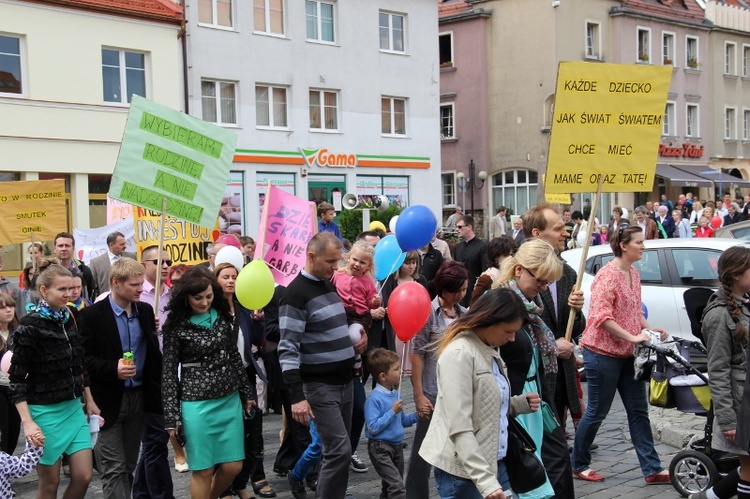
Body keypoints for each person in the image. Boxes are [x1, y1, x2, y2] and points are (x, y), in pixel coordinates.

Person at [571, 226, 670, 484]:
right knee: (597, 411)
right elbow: (601, 317)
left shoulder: (633, 273)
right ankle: (578, 463)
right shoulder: (607, 275)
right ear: (624, 245)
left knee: (639, 411)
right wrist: (633, 336)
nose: (643, 247)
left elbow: (634, 311)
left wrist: (650, 329)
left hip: (628, 354)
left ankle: (652, 469)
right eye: (639, 242)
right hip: (602, 353)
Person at [419, 288, 540, 499]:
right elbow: (459, 425)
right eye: (508, 331)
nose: (512, 338)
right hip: (464, 471)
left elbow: (484, 403)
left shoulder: (489, 347)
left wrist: (516, 404)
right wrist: (485, 482)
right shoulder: (459, 354)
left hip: (493, 462)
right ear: (489, 321)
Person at [278, 232, 368, 499]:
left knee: (340, 450)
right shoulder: (294, 295)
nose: (335, 267)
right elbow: (288, 348)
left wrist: (357, 339)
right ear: (311, 256)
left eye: (337, 260)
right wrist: (296, 397)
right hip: (320, 386)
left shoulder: (327, 284)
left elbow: (333, 326)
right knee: (338, 450)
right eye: (330, 261)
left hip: (345, 381)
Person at [162, 266, 254, 498]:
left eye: (209, 296)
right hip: (197, 404)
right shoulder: (176, 326)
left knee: (234, 465)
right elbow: (169, 372)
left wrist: (247, 393)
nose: (204, 302)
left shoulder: (222, 317)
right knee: (202, 469)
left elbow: (234, 356)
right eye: (198, 297)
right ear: (186, 296)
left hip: (229, 399)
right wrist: (172, 416)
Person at [9, 259, 97, 498]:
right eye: (62, 289)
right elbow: (16, 378)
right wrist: (27, 422)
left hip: (72, 409)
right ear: (44, 291)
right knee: (50, 484)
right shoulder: (30, 325)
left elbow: (79, 361)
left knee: (83, 476)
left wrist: (88, 398)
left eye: (71, 288)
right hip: (43, 413)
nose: (68, 294)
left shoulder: (68, 316)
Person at [79, 258, 162, 499]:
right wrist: (111, 368)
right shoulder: (93, 316)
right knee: (113, 468)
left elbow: (153, 354)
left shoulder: (145, 311)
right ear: (116, 283)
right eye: (134, 285)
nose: (140, 289)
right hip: (107, 400)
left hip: (139, 398)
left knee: (127, 465)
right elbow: (84, 360)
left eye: (141, 284)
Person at [523, 203, 583, 499]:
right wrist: (549, 345)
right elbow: (517, 335)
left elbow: (574, 328)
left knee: (557, 449)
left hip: (559, 374)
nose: (565, 232)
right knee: (548, 452)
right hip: (531, 383)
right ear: (537, 233)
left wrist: (577, 312)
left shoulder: (569, 273)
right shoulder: (518, 277)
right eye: (558, 228)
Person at [690, 246, 750, 499]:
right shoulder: (718, 315)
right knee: (749, 468)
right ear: (736, 274)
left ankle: (708, 496)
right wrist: (726, 419)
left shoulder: (746, 303)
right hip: (740, 403)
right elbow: (718, 369)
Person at [407, 261, 468, 499]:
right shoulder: (428, 313)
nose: (461, 295)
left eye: (464, 289)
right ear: (443, 288)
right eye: (457, 290)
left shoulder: (464, 314)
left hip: (459, 390)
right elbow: (417, 354)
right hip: (433, 391)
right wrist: (419, 394)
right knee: (423, 450)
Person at [214, 263, 275, 499]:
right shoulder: (211, 310)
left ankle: (244, 481)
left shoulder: (243, 308)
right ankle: (225, 487)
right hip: (221, 381)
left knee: (252, 431)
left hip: (246, 376)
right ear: (215, 279)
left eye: (234, 277)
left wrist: (258, 320)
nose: (231, 281)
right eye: (225, 277)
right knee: (227, 434)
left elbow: (258, 341)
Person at [331, 240, 382, 473]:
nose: (357, 264)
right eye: (354, 259)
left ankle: (349, 451)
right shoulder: (336, 276)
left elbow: (373, 301)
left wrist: (375, 304)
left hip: (359, 319)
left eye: (362, 262)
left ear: (368, 266)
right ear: (347, 256)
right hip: (338, 322)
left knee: (359, 409)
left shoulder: (368, 282)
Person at [132, 246, 175, 499]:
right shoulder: (136, 295)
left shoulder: (172, 295)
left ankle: (140, 492)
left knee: (154, 440)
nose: (165, 266)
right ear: (144, 264)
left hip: (169, 370)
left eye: (168, 261)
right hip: (146, 374)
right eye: (158, 261)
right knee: (156, 438)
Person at [364, 348, 418, 499]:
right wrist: (392, 411)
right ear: (382, 376)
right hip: (380, 447)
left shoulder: (396, 394)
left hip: (397, 446)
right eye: (396, 369)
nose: (400, 372)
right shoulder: (374, 399)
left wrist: (417, 415)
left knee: (389, 487)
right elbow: (372, 427)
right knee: (397, 488)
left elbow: (403, 421)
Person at [379, 252, 428, 376]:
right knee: (395, 365)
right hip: (397, 329)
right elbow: (387, 301)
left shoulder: (420, 280)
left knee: (416, 365)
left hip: (416, 328)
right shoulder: (391, 280)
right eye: (407, 263)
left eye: (414, 263)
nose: (411, 266)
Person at [0, 295, 21, 457]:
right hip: (0, 388)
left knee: (15, 430)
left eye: (10, 306)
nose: (8, 310)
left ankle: (6, 463)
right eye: (2, 307)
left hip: (15, 387)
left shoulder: (19, 332)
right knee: (3, 430)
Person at [470, 237, 517, 306]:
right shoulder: (488, 277)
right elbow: (475, 304)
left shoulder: (512, 273)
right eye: (507, 255)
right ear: (496, 257)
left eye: (512, 255)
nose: (511, 259)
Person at [454, 215, 487, 307]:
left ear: (469, 227)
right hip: (460, 292)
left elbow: (485, 271)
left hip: (475, 291)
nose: (457, 229)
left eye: (460, 227)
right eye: (456, 227)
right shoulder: (458, 247)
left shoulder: (482, 246)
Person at [52, 232, 96, 301]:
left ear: (73, 248)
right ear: (54, 249)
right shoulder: (46, 270)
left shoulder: (84, 270)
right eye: (60, 246)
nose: (64, 249)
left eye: (67, 245)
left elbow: (91, 294)